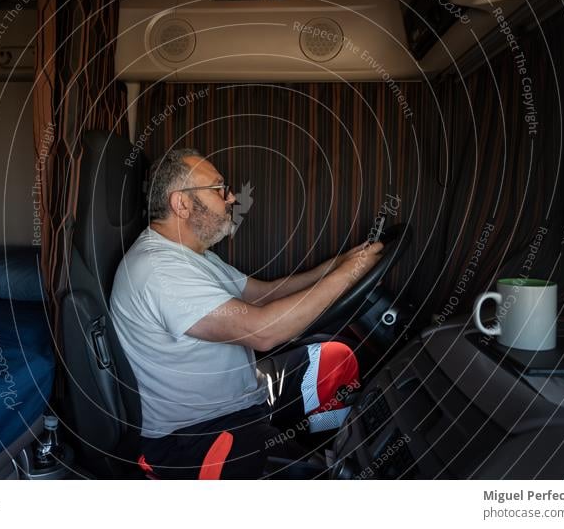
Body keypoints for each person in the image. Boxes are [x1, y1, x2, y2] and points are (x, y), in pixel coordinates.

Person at [110, 148, 383, 479]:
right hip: (200, 434)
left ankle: (331, 444)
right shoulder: (160, 271)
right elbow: (263, 332)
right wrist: (348, 276)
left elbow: (262, 293)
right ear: (181, 203)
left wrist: (335, 267)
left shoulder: (191, 254)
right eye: (218, 188)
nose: (230, 197)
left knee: (335, 359)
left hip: (243, 396)